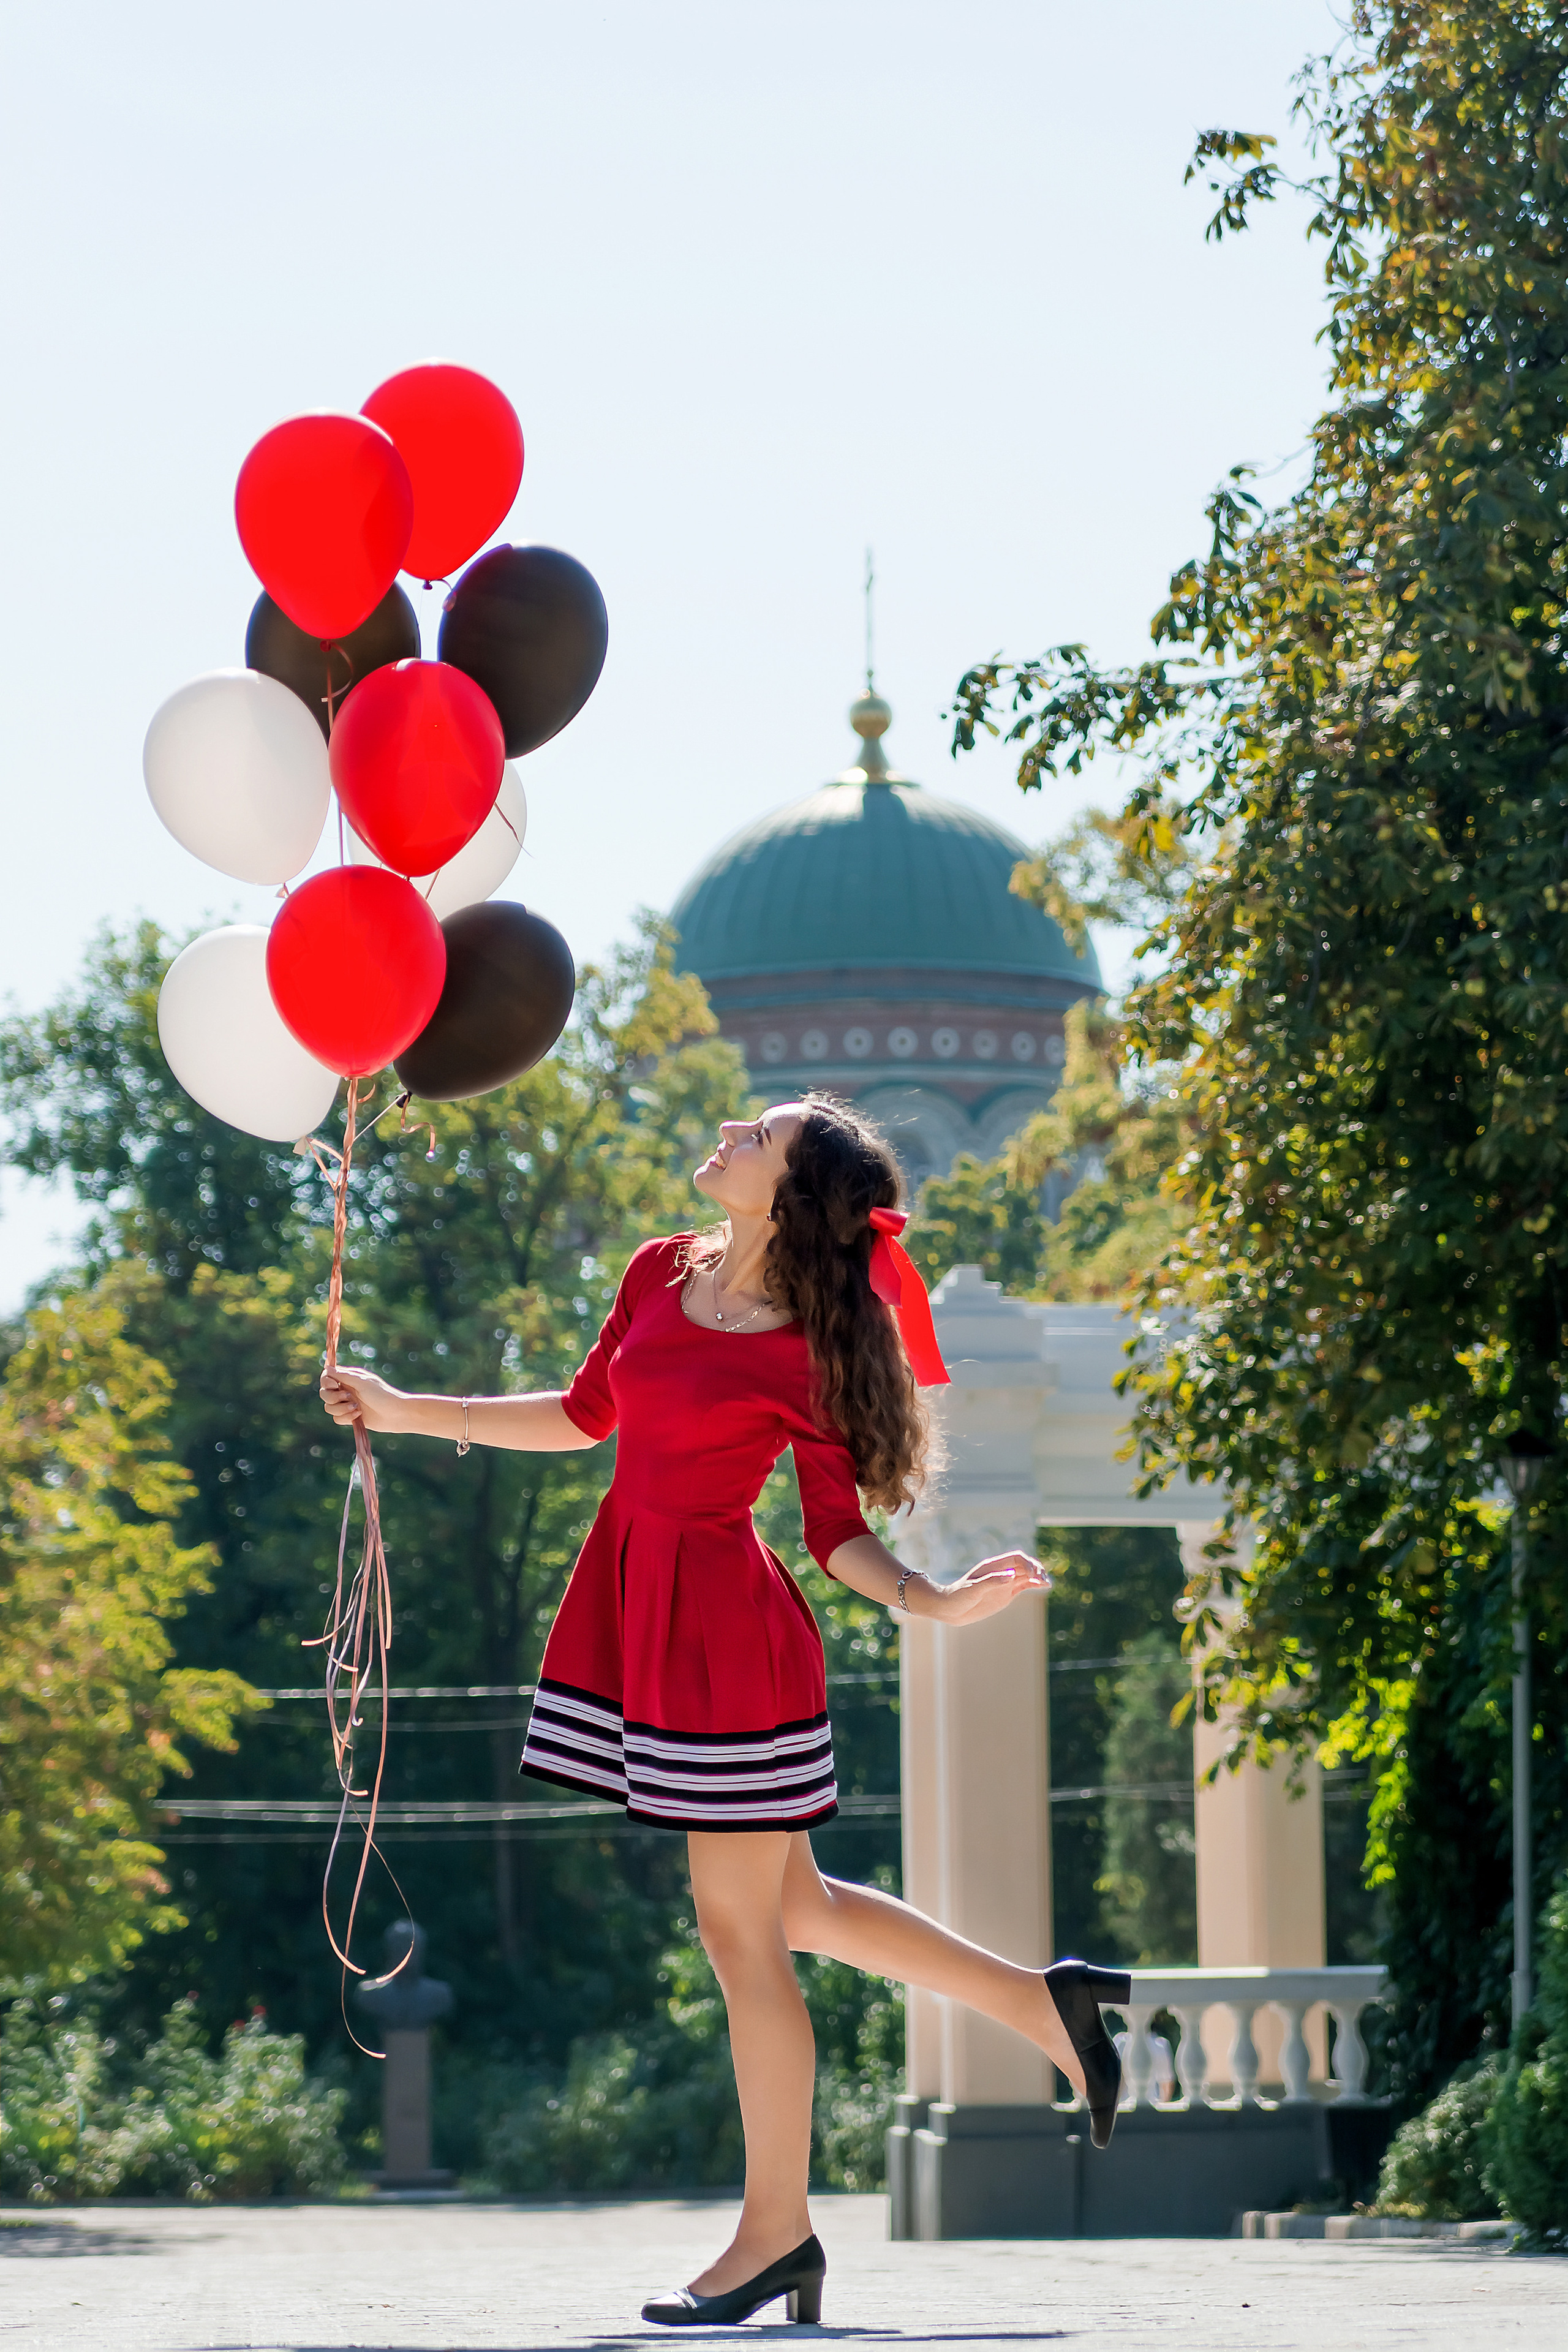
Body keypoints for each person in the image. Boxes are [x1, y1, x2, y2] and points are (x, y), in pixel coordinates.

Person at [322, 1095, 1130, 2326]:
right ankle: (1039, 2003)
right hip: (649, 1619)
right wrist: (403, 1406)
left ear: (790, 1194)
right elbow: (584, 1415)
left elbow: (835, 1534)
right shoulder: (658, 1270)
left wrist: (932, 1600)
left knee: (742, 1934)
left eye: (757, 1136)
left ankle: (775, 2237)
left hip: (730, 1650)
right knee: (795, 1910)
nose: (728, 1133)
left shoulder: (809, 1347)